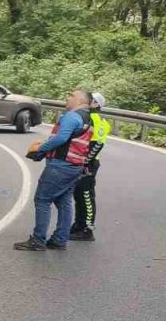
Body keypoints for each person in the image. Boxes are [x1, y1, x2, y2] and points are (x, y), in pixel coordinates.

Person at [14, 89, 95, 252]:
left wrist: (41, 149)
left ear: (80, 100)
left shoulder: (72, 116)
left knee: (42, 200)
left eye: (71, 95)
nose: (68, 97)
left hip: (61, 166)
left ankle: (38, 240)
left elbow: (61, 138)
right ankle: (59, 240)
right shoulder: (89, 119)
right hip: (75, 166)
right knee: (64, 201)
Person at [70, 92, 111, 241]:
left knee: (86, 195)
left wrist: (85, 162)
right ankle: (78, 225)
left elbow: (98, 144)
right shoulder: (87, 116)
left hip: (89, 163)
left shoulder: (97, 119)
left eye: (90, 100)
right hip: (83, 161)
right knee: (78, 194)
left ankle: (87, 229)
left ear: (95, 103)